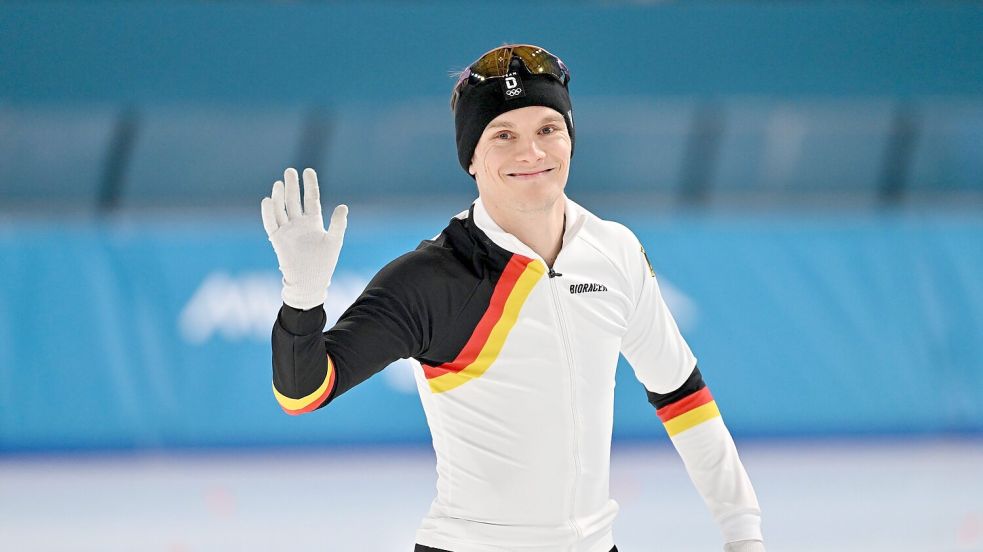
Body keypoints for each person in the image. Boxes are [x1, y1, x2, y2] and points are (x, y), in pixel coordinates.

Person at [260, 44, 765, 552]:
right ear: (472, 160)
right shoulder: (431, 278)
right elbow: (304, 391)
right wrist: (302, 299)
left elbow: (683, 394)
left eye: (548, 129)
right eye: (504, 135)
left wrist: (743, 532)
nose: (532, 153)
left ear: (571, 139)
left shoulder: (615, 251)